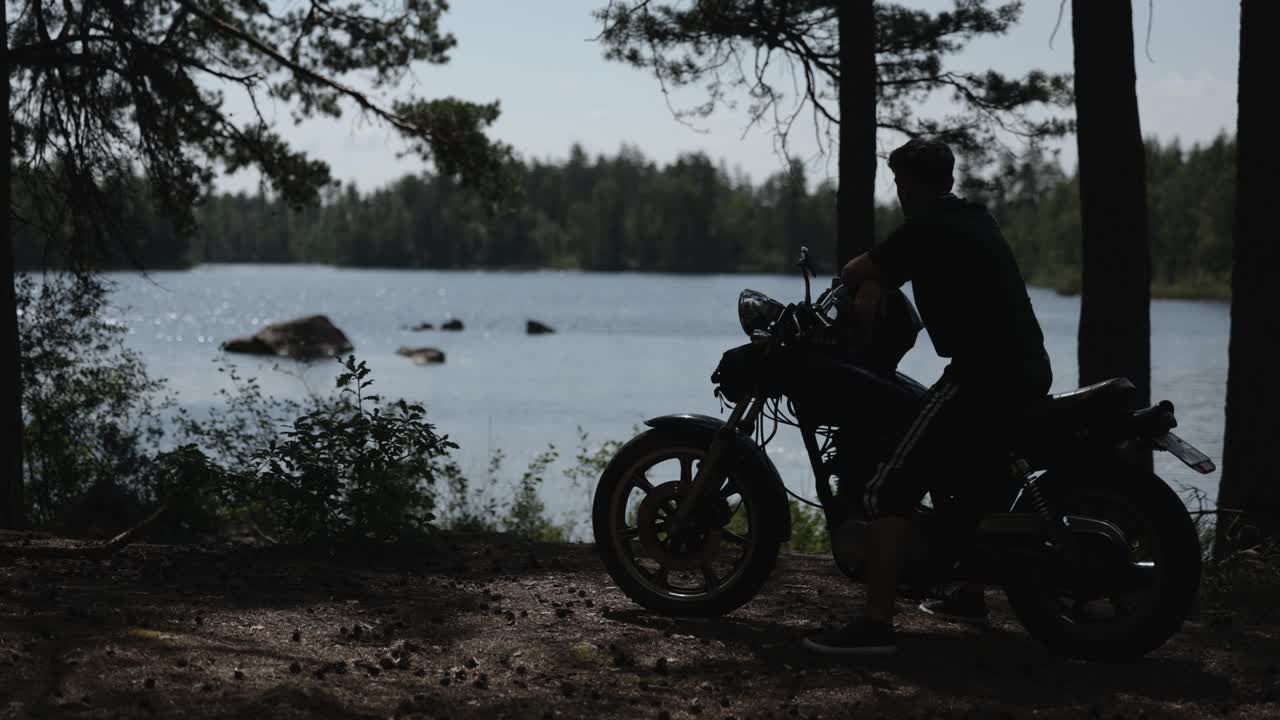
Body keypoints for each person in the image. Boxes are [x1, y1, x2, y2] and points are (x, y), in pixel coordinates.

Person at [802, 137, 1052, 656]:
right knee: (958, 472)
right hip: (1023, 368)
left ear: (909, 185)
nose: (898, 192)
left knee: (889, 484)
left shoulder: (928, 227)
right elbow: (889, 268)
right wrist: (879, 281)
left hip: (983, 375)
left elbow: (854, 270)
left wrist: (865, 280)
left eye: (898, 183)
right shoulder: (972, 219)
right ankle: (966, 590)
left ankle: (875, 626)